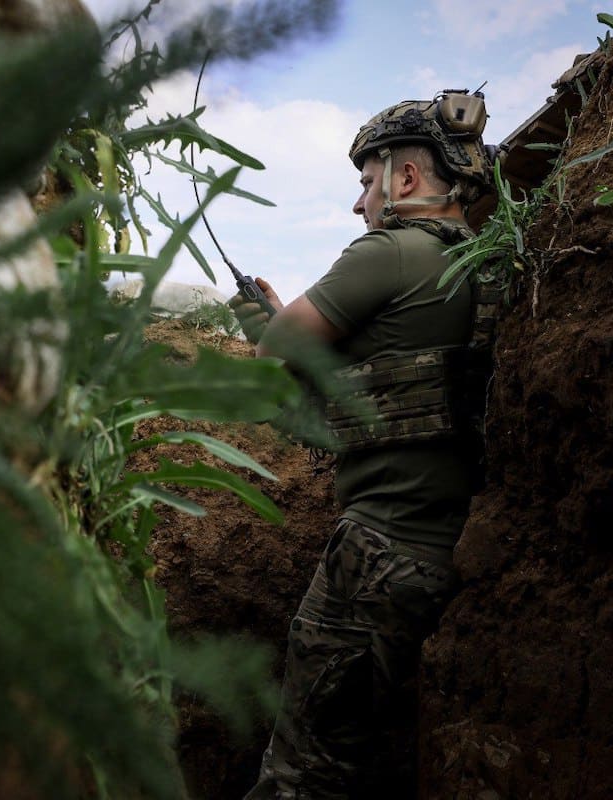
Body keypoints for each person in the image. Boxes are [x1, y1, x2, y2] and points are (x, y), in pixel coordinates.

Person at [230, 92, 501, 799]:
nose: (359, 204)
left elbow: (272, 362)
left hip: (375, 557)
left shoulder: (389, 250)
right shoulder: (476, 264)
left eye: (364, 182)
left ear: (404, 179)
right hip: (440, 553)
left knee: (304, 770)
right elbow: (381, 383)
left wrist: (266, 327)